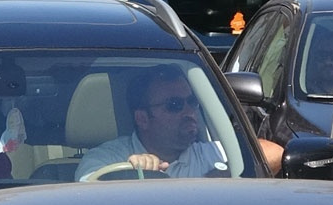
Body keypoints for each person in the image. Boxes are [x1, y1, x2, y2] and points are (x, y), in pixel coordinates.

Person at [76, 65, 229, 180]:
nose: (189, 112)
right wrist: (128, 174)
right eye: (174, 105)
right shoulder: (104, 160)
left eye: (192, 101)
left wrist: (227, 175)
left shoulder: (218, 155)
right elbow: (86, 194)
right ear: (142, 118)